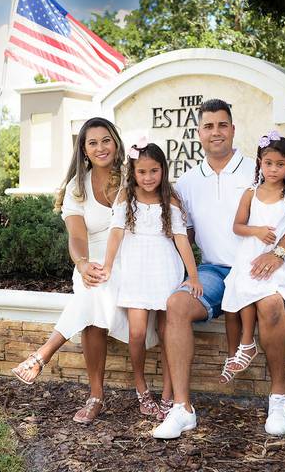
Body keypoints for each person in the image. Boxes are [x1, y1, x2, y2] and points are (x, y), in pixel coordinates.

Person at [152, 99, 285, 439]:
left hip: (260, 267)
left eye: (222, 125)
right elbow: (184, 235)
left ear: (233, 129)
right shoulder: (187, 182)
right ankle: (182, 409)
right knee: (176, 304)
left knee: (271, 307)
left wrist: (280, 253)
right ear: (199, 133)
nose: (216, 132)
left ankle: (278, 399)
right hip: (214, 271)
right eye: (208, 126)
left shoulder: (262, 168)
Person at [11, 117, 155, 424]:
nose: (101, 148)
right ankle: (97, 394)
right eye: (93, 143)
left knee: (93, 297)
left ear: (116, 143)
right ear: (84, 150)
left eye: (106, 140)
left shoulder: (134, 174)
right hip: (92, 259)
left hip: (134, 257)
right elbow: (77, 238)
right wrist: (82, 264)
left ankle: (45, 356)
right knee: (94, 287)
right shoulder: (77, 187)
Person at [102, 140, 203, 420]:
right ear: (133, 173)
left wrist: (193, 276)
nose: (148, 178)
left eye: (154, 171)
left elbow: (181, 239)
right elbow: (115, 233)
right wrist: (108, 265)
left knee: (167, 333)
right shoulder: (126, 196)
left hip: (165, 268)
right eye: (142, 172)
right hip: (135, 269)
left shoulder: (170, 198)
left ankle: (169, 395)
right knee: (136, 333)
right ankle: (142, 389)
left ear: (163, 170)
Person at [218, 132, 285, 386]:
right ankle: (244, 345)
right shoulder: (250, 193)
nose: (273, 169)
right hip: (250, 254)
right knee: (238, 290)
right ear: (260, 162)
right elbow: (237, 226)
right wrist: (256, 231)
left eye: (280, 164)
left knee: (254, 289)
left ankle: (247, 344)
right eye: (268, 163)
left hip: (278, 262)